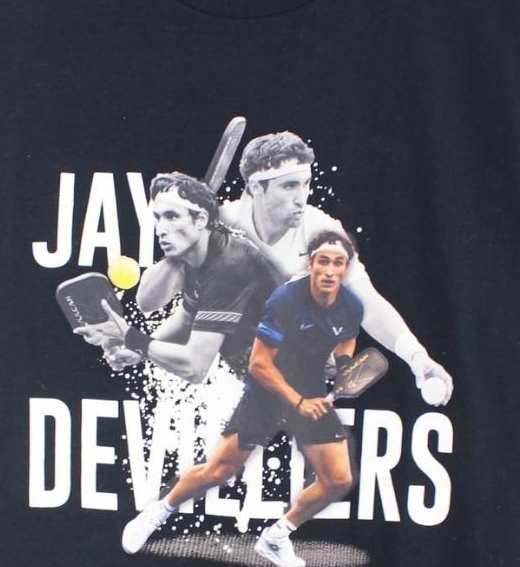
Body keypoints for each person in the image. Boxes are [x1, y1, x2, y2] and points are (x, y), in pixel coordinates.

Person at [136, 130, 454, 405]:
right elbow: (148, 303)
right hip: (224, 351)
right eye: (289, 186)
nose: (302, 198)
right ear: (256, 188)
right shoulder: (220, 225)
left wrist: (417, 356)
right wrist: (184, 250)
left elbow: (367, 303)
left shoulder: (322, 233)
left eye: (306, 184)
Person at [122, 228, 367, 567]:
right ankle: (157, 512)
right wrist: (299, 404)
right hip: (267, 389)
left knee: (338, 479)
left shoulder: (351, 306)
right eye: (322, 261)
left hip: (310, 389)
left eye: (337, 263)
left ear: (346, 268)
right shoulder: (285, 300)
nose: (329, 270)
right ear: (311, 264)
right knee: (220, 470)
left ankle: (275, 537)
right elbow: (259, 364)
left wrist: (343, 365)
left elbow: (346, 340)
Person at [73, 171, 281, 384]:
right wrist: (138, 350)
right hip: (268, 382)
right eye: (158, 218)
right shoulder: (195, 257)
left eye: (172, 216)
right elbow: (182, 319)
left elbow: (194, 368)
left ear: (201, 219)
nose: (160, 229)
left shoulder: (230, 264)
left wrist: (130, 336)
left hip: (294, 382)